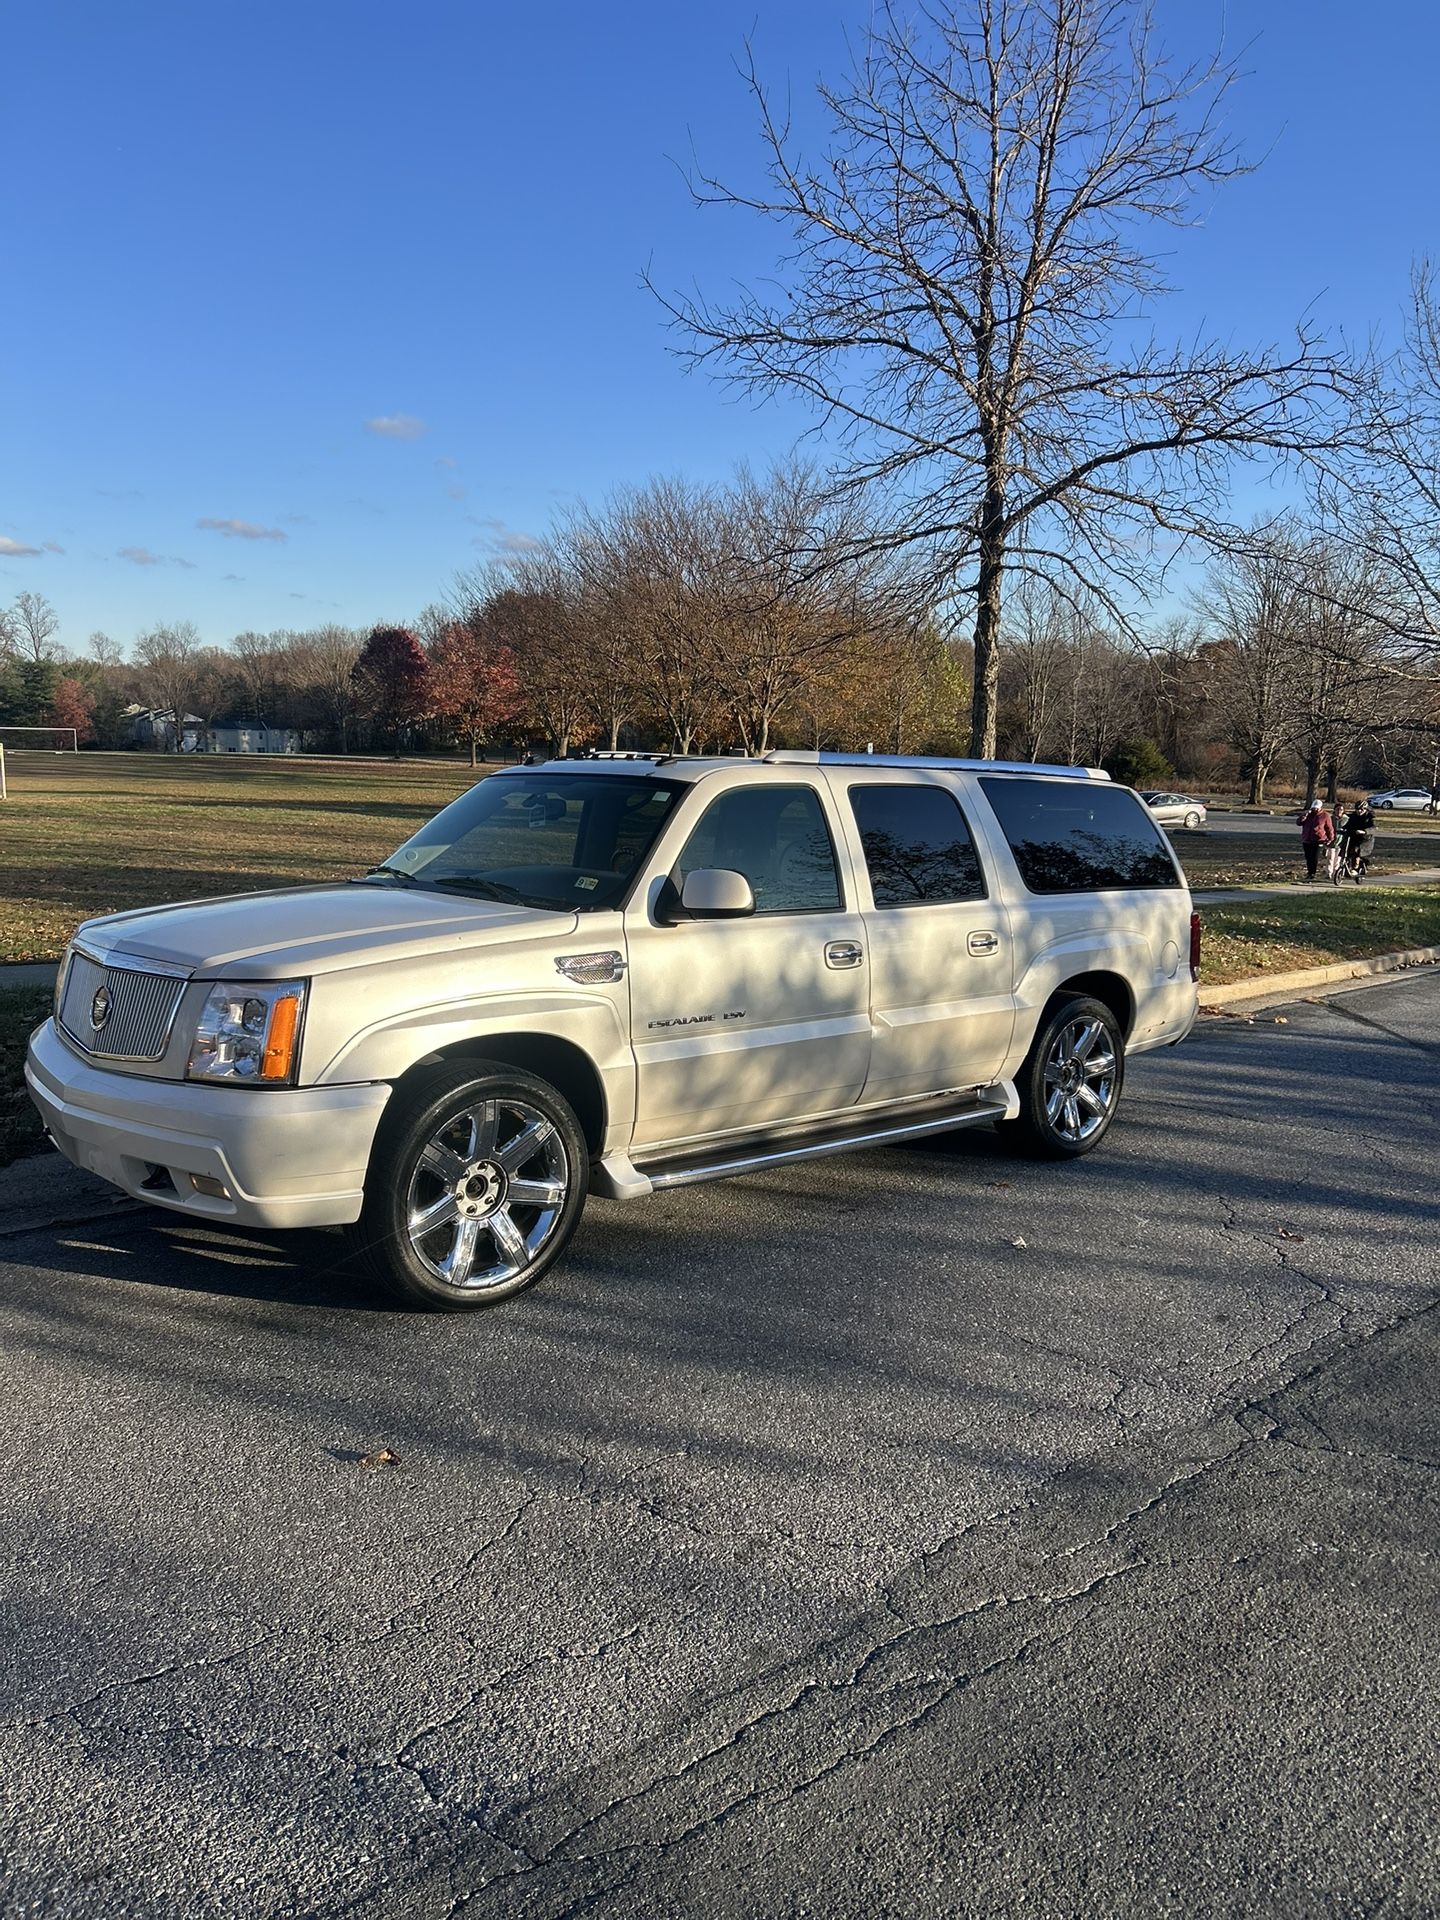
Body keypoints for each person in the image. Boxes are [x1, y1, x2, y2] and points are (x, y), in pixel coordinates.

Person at [1298, 800, 1334, 881]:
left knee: (1314, 857)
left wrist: (1330, 838)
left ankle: (1312, 873)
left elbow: (1329, 828)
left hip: (1319, 840)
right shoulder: (1308, 814)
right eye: (1314, 808)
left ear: (1320, 808)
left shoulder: (1325, 815)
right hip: (1307, 839)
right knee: (1308, 857)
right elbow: (1299, 823)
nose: (1315, 810)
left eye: (1317, 808)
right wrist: (1303, 817)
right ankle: (1309, 872)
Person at [1341, 798, 1375, 881]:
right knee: (1345, 850)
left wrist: (1365, 831)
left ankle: (1355, 868)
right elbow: (1347, 825)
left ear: (1365, 809)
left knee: (1356, 851)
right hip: (1353, 837)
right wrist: (1342, 829)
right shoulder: (1353, 817)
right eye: (1357, 809)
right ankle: (1346, 866)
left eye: (1361, 809)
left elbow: (1373, 828)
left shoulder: (1370, 817)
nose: (1359, 811)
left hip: (1365, 840)